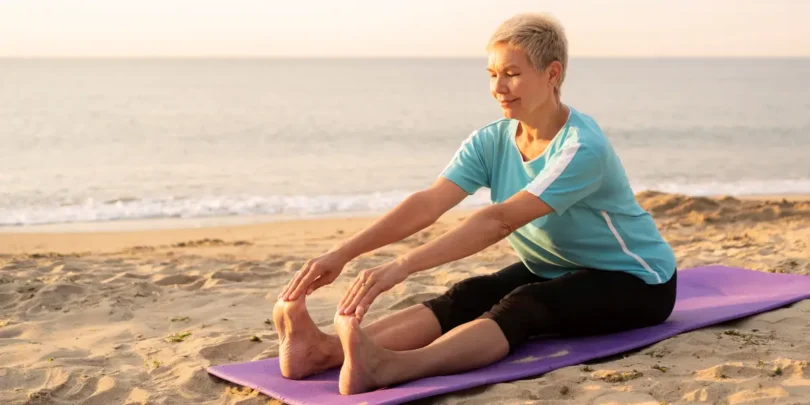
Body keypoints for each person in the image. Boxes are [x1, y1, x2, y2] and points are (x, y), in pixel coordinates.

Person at [275, 12, 677, 395]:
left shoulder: (580, 148)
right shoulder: (492, 140)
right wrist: (342, 253)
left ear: (552, 74)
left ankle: (391, 367)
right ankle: (324, 352)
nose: (498, 88)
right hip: (557, 267)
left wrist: (402, 266)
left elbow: (499, 221)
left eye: (513, 74)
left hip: (637, 281)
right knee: (469, 293)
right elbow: (430, 203)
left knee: (524, 305)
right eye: (493, 75)